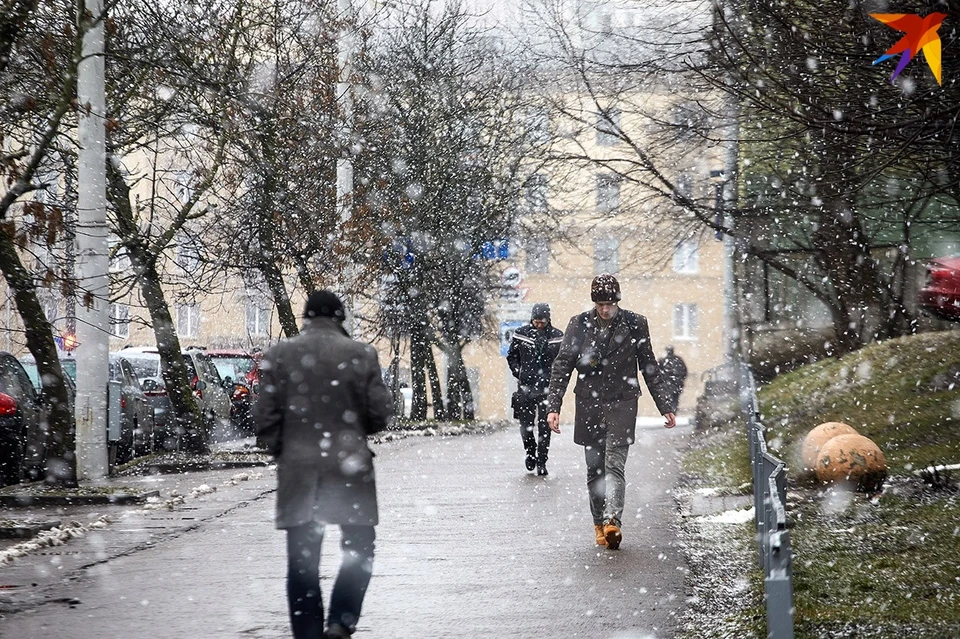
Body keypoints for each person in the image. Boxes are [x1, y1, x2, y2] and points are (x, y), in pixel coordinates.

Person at [254, 290, 393, 639]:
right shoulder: (361, 354)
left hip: (299, 469)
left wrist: (283, 450)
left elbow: (265, 419)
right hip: (349, 465)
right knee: (359, 548)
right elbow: (379, 415)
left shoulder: (280, 355)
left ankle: (309, 633)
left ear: (306, 317)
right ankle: (341, 621)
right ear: (340, 317)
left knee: (302, 561)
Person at [545, 274, 676, 550]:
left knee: (614, 466)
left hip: (623, 403)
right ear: (594, 303)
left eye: (610, 303)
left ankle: (613, 520)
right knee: (594, 470)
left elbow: (649, 366)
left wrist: (665, 405)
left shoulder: (635, 324)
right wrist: (553, 407)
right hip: (589, 405)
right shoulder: (578, 324)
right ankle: (598, 523)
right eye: (601, 303)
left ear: (618, 300)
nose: (605, 308)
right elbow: (562, 366)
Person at [506, 303, 564, 476]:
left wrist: (554, 378)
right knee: (526, 425)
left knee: (545, 427)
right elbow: (512, 356)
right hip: (525, 387)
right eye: (536, 321)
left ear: (548, 320)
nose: (539, 325)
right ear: (532, 319)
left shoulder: (557, 337)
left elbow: (562, 361)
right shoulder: (521, 334)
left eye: (542, 322)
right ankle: (530, 452)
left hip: (547, 388)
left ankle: (542, 460)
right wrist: (519, 372)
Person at [658, 345, 688, 411]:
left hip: (667, 386)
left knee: (668, 401)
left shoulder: (663, 361)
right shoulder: (678, 360)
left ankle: (669, 413)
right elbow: (684, 372)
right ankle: (672, 413)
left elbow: (657, 373)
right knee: (674, 401)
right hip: (676, 385)